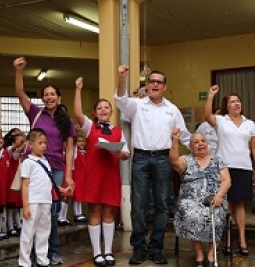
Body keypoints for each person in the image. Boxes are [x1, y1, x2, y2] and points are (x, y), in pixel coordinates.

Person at [115, 65, 191, 265]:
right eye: (152, 81)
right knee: (138, 206)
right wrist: (122, 78)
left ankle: (156, 247)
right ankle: (139, 248)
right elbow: (121, 101)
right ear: (146, 86)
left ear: (164, 87)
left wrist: (203, 151)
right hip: (140, 158)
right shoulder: (137, 105)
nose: (155, 84)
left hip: (163, 160)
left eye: (159, 82)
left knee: (162, 205)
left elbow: (184, 136)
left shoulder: (172, 110)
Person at [14, 57, 77, 265]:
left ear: (59, 98)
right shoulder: (35, 112)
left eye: (53, 94)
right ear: (42, 98)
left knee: (52, 212)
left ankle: (51, 250)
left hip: (56, 168)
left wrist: (68, 175)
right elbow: (20, 93)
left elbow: (69, 148)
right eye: (46, 94)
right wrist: (19, 71)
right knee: (33, 211)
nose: (49, 97)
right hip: (33, 166)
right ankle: (30, 254)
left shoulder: (65, 120)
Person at [74, 77, 130, 266]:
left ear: (111, 111)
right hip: (94, 177)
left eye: (107, 107)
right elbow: (77, 113)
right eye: (100, 108)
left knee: (109, 213)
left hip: (111, 176)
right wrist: (78, 90)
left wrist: (121, 152)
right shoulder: (90, 127)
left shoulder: (118, 131)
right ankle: (97, 252)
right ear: (95, 113)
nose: (104, 110)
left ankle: (108, 252)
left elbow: (126, 154)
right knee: (95, 212)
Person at [204, 85, 255, 256]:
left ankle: (242, 239)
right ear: (226, 106)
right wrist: (210, 96)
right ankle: (225, 240)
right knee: (224, 204)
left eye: (238, 101)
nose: (236, 104)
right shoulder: (221, 121)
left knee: (239, 204)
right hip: (224, 168)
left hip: (243, 166)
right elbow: (207, 116)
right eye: (232, 101)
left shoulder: (249, 123)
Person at [169, 130, 231, 267]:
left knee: (217, 215)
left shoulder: (217, 160)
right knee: (191, 214)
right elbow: (173, 161)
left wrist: (219, 195)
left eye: (203, 141)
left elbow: (227, 180)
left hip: (215, 198)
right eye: (196, 142)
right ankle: (199, 253)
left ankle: (211, 252)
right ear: (190, 147)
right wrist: (175, 141)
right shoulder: (187, 160)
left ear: (207, 144)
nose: (201, 144)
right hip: (190, 201)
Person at [18, 128, 70, 267]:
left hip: (46, 201)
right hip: (33, 202)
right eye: (40, 143)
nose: (43, 146)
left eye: (45, 143)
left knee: (44, 232)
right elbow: (25, 185)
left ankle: (42, 259)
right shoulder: (28, 162)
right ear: (30, 144)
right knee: (28, 232)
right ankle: (24, 262)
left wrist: (62, 189)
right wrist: (26, 206)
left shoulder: (46, 161)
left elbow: (50, 182)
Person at [4, 128, 26, 236]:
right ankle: (10, 226)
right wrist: (22, 141)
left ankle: (18, 224)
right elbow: (15, 150)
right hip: (10, 178)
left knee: (17, 204)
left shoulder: (19, 152)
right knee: (11, 204)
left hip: (16, 177)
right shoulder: (8, 150)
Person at [72, 135, 88, 223]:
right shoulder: (76, 152)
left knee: (81, 196)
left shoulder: (85, 153)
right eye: (79, 141)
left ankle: (80, 212)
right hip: (76, 176)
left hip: (83, 177)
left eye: (82, 141)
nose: (81, 143)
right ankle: (76, 213)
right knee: (76, 196)